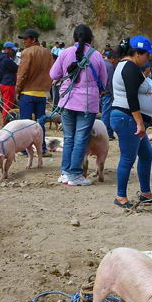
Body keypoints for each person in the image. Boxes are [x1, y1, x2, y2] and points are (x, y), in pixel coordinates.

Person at [49, 24, 107, 186]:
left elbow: (54, 74)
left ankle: (65, 172)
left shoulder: (64, 53)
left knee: (68, 138)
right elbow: (103, 81)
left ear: (75, 38)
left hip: (67, 100)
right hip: (87, 103)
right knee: (81, 138)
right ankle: (75, 174)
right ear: (90, 39)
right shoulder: (96, 56)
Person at [110, 36, 152, 207]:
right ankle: (121, 196)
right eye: (147, 55)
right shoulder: (129, 68)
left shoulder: (129, 66)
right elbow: (132, 97)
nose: (148, 59)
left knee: (146, 154)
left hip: (129, 118)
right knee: (128, 157)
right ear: (137, 53)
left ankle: (145, 193)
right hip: (127, 118)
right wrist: (139, 122)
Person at [16, 28, 54, 154]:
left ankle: (24, 150)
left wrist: (17, 90)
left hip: (27, 93)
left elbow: (22, 73)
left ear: (33, 39)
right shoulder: (48, 53)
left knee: (25, 124)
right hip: (42, 93)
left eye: (26, 39)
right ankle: (41, 149)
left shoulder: (27, 52)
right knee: (40, 123)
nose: (24, 42)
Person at [0, 42, 19, 123]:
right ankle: (5, 122)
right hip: (8, 84)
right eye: (12, 50)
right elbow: (17, 68)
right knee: (8, 105)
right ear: (8, 49)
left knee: (6, 104)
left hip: (3, 83)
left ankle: (6, 121)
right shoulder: (6, 60)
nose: (14, 52)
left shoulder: (1, 58)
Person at [102, 48, 120, 140]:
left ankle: (106, 133)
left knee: (104, 113)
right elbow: (110, 82)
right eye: (117, 60)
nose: (117, 62)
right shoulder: (110, 66)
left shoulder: (102, 63)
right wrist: (114, 95)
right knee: (107, 114)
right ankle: (108, 133)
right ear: (113, 58)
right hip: (108, 93)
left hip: (100, 92)